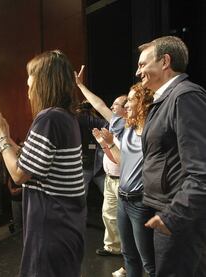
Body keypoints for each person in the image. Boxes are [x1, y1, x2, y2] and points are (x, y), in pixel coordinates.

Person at [0, 50, 86, 277]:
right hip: (65, 227)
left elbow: (19, 173)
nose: (28, 90)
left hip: (51, 230)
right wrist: (5, 133)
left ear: (43, 82)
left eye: (30, 82)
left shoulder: (49, 118)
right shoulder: (64, 117)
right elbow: (29, 157)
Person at [136, 35, 206, 276]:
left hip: (177, 219)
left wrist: (174, 216)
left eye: (143, 64)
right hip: (163, 211)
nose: (138, 72)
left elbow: (201, 171)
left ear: (165, 61)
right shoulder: (165, 99)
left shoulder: (185, 96)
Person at [97, 83, 155, 277]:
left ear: (143, 103)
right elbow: (124, 162)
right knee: (129, 254)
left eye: (130, 100)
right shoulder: (128, 127)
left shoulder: (153, 132)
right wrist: (111, 144)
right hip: (123, 199)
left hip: (141, 202)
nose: (127, 105)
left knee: (149, 261)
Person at [75, 66, 127, 258]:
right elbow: (99, 105)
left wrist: (108, 144)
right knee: (109, 214)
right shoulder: (116, 122)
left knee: (125, 220)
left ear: (127, 108)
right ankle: (113, 247)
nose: (112, 107)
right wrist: (80, 85)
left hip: (125, 181)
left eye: (116, 105)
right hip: (109, 178)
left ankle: (129, 257)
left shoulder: (133, 126)